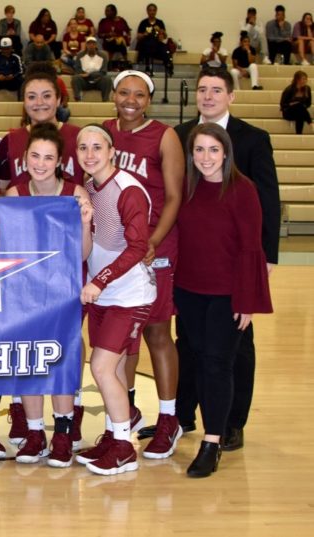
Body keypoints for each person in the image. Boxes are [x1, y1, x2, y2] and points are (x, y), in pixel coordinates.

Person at [172, 66, 280, 452]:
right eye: (202, 89)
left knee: (235, 349)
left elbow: (267, 201)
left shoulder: (253, 138)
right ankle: (182, 417)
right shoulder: (180, 136)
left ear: (231, 96)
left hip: (235, 270)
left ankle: (231, 423)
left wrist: (265, 262)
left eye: (217, 90)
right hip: (193, 273)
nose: (208, 96)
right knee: (188, 344)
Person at [102, 70, 185, 461]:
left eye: (138, 94)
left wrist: (151, 240)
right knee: (122, 338)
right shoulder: (102, 132)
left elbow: (173, 197)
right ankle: (127, 413)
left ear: (148, 100)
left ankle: (169, 418)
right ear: (113, 95)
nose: (130, 99)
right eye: (123, 92)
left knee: (156, 332)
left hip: (154, 246)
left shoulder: (164, 136)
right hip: (112, 251)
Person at [4, 124, 94, 468]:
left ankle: (62, 430)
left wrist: (84, 223)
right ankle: (35, 432)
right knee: (29, 358)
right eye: (34, 156)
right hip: (26, 294)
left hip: (64, 292)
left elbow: (84, 254)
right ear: (25, 157)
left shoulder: (75, 193)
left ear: (60, 161)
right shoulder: (15, 195)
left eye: (48, 157)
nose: (40, 163)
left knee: (61, 358)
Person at [74, 123, 155, 476]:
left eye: (97, 147)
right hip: (104, 295)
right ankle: (113, 433)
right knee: (117, 369)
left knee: (101, 367)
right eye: (82, 148)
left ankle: (124, 447)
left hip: (128, 294)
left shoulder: (127, 189)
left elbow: (138, 246)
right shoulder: (89, 189)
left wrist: (101, 280)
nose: (89, 154)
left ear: (111, 152)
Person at [0, 65, 84, 191]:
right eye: (32, 97)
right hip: (24, 210)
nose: (39, 102)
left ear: (58, 99)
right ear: (24, 102)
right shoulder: (9, 141)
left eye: (47, 96)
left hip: (69, 210)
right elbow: (1, 189)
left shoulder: (80, 137)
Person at [136, 3, 172, 76]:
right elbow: (138, 36)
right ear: (147, 11)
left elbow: (165, 36)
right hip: (146, 43)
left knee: (165, 49)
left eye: (154, 10)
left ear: (156, 11)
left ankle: (168, 68)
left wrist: (161, 32)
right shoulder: (143, 23)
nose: (152, 12)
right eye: (150, 10)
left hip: (157, 43)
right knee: (146, 45)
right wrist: (144, 34)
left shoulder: (160, 22)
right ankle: (147, 67)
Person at [72, 37, 113, 102]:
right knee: (75, 78)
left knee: (107, 79)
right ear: (86, 45)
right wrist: (83, 74)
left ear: (96, 45)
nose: (91, 45)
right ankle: (78, 99)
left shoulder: (103, 55)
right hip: (84, 80)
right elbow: (77, 69)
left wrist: (89, 75)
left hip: (98, 80)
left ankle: (105, 100)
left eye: (93, 43)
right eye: (89, 44)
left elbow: (103, 71)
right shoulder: (80, 55)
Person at [98, 4, 131, 70]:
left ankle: (124, 63)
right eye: (105, 11)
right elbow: (99, 35)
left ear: (113, 12)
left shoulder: (121, 20)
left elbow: (128, 31)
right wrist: (108, 34)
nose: (106, 13)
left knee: (120, 43)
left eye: (108, 11)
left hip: (120, 41)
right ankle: (112, 64)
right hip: (108, 42)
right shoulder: (103, 21)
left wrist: (126, 38)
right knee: (113, 42)